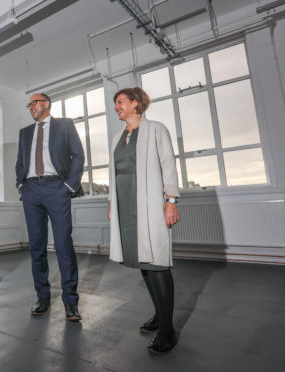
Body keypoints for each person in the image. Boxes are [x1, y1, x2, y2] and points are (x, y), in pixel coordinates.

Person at [107, 87, 180, 355]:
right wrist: (111, 203)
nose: (116, 107)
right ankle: (160, 315)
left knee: (157, 262)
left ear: (135, 103)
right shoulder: (118, 137)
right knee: (143, 262)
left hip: (149, 202)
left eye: (120, 102)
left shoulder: (156, 129)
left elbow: (168, 164)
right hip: (125, 203)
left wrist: (171, 200)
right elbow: (114, 173)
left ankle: (168, 331)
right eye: (116, 103)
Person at [15, 93, 85, 321]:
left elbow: (78, 155)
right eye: (29, 104)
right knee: (36, 247)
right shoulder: (25, 133)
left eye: (34, 103)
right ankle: (42, 297)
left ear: (46, 104)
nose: (31, 107)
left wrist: (68, 185)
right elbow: (20, 162)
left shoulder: (64, 125)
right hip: (31, 191)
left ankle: (71, 301)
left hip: (57, 188)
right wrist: (20, 185)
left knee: (64, 244)